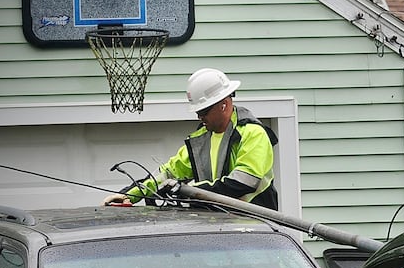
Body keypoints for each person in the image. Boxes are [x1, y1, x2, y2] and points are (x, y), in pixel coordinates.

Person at [102, 68, 279, 210]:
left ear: (223, 104)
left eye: (203, 111)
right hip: (220, 224)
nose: (199, 117)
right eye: (197, 112)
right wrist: (129, 195)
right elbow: (168, 172)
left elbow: (242, 183)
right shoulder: (202, 138)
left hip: (256, 226)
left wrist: (189, 191)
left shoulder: (252, 133)